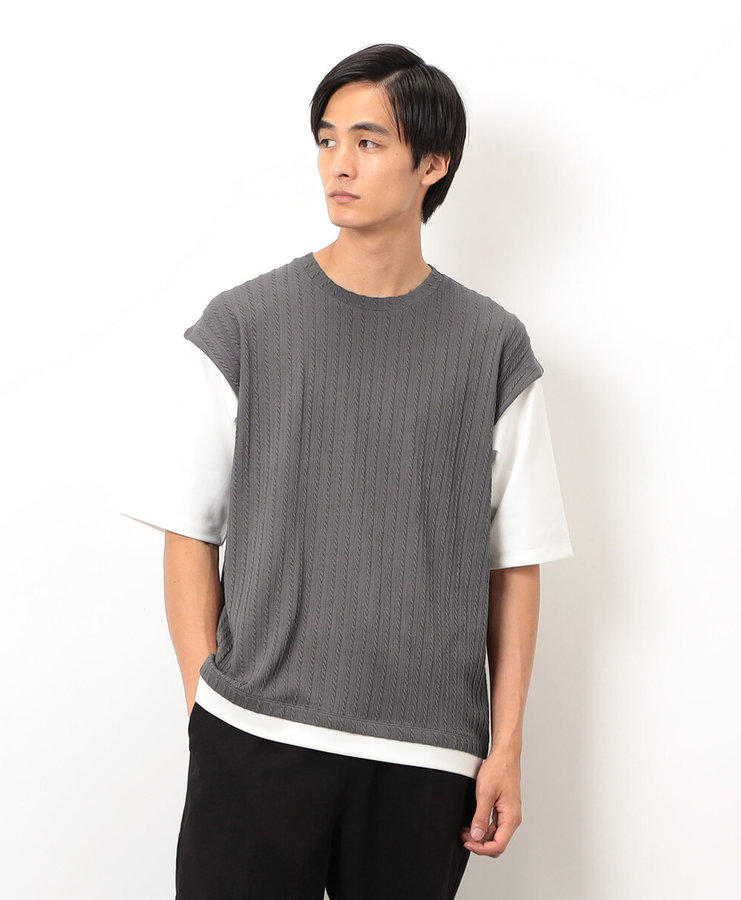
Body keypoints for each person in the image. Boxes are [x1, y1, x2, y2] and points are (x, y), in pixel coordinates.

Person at [119, 42, 573, 900]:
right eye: (328, 140)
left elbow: (515, 562)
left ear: (433, 163)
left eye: (368, 142)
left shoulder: (493, 348)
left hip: (425, 758)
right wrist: (207, 711)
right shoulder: (243, 326)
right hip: (254, 738)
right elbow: (188, 529)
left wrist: (505, 747)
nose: (339, 163)